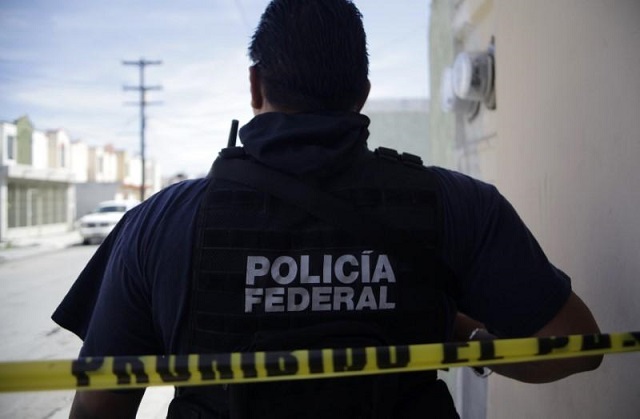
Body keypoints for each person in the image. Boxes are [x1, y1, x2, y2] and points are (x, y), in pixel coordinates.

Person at [53, 0, 602, 417]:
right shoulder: (457, 204)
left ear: (254, 84)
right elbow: (577, 348)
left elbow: (100, 409)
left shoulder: (158, 223)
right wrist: (470, 340)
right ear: (361, 93)